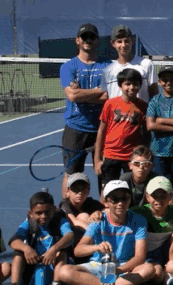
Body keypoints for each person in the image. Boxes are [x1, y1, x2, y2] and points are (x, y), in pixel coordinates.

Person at [53, 180, 156, 285]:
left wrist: (116, 272)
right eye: (114, 199)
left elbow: (140, 257)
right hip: (99, 266)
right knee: (63, 271)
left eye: (124, 198)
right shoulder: (98, 220)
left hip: (125, 268)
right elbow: (78, 250)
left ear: (129, 200)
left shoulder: (139, 220)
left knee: (149, 269)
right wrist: (96, 247)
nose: (120, 203)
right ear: (106, 202)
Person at [59, 22, 110, 197]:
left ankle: (105, 215)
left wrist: (82, 93)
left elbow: (109, 96)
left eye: (92, 37)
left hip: (102, 129)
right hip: (75, 129)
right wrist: (97, 92)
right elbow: (72, 96)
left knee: (104, 174)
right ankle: (66, 213)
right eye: (84, 37)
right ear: (77, 41)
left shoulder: (107, 66)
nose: (88, 40)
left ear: (97, 41)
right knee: (72, 175)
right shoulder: (69, 67)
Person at [2, 191, 74, 285]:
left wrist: (53, 249)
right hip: (34, 264)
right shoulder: (29, 224)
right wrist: (26, 248)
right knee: (18, 251)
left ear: (54, 209)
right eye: (38, 213)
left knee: (62, 249)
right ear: (30, 213)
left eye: (47, 212)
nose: (43, 216)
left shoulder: (60, 220)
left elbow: (70, 236)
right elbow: (13, 241)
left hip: (54, 265)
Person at [129, 176, 173, 283]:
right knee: (157, 275)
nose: (158, 200)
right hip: (143, 256)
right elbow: (114, 214)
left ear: (171, 196)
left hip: (164, 253)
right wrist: (97, 213)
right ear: (147, 197)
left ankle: (170, 270)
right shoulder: (138, 212)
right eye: (154, 196)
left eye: (163, 196)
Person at [94, 68, 149, 193]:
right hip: (111, 154)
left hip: (131, 157)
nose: (131, 87)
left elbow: (145, 133)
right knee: (108, 191)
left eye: (135, 84)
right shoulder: (110, 104)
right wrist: (97, 159)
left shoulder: (143, 106)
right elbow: (101, 131)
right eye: (127, 84)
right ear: (120, 86)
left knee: (132, 190)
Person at [103, 25, 157, 102]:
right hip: (116, 113)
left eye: (127, 41)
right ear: (113, 44)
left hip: (141, 113)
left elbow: (154, 94)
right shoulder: (107, 70)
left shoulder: (147, 64)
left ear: (132, 41)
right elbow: (105, 96)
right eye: (119, 42)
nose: (123, 45)